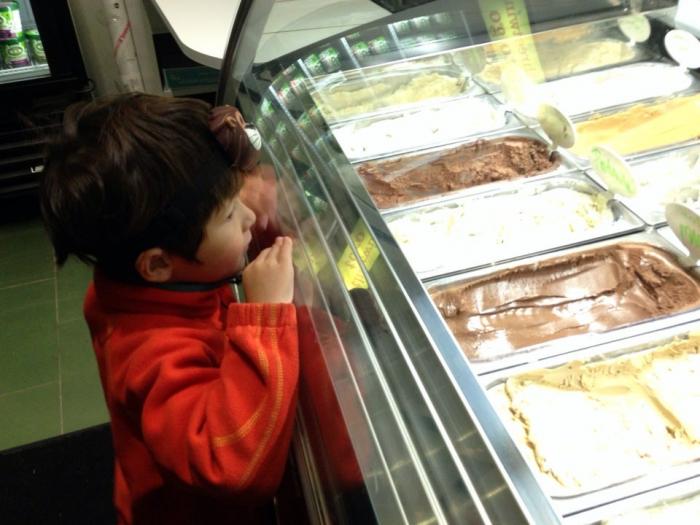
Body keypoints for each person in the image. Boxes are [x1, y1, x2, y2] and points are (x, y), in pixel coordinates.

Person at [39, 93, 298, 525]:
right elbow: (230, 467)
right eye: (230, 215)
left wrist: (232, 202)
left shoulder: (134, 281)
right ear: (157, 264)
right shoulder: (149, 351)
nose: (250, 217)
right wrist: (264, 321)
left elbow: (205, 251)